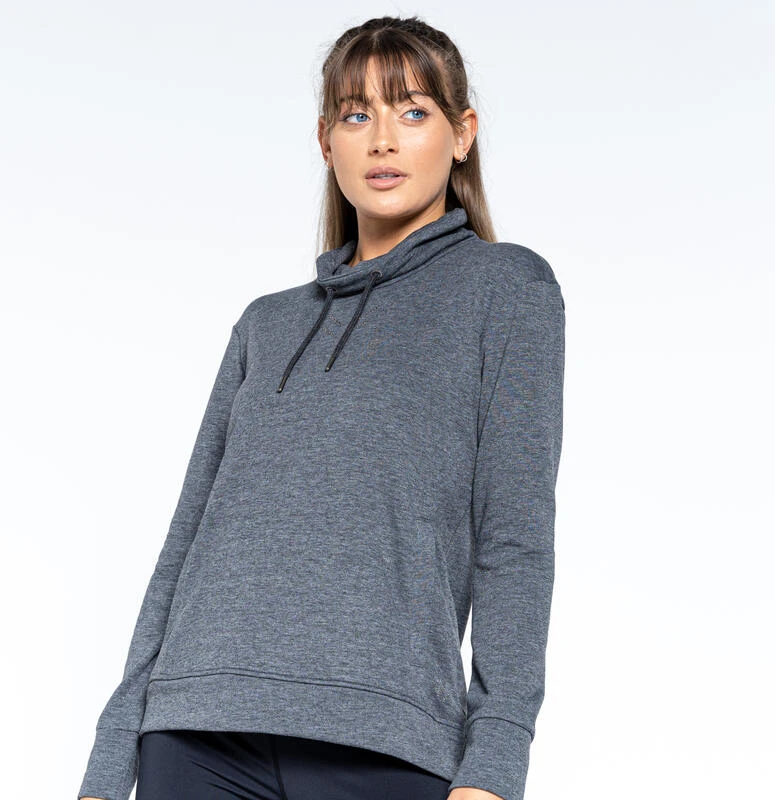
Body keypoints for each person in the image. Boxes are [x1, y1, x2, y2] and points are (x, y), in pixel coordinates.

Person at [78, 14, 565, 800]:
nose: (383, 140)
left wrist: (497, 762)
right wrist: (109, 759)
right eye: (356, 114)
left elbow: (515, 542)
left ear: (462, 133)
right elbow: (187, 541)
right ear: (325, 140)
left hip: (387, 743)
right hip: (197, 732)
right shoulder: (268, 324)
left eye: (413, 111)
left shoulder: (507, 290)